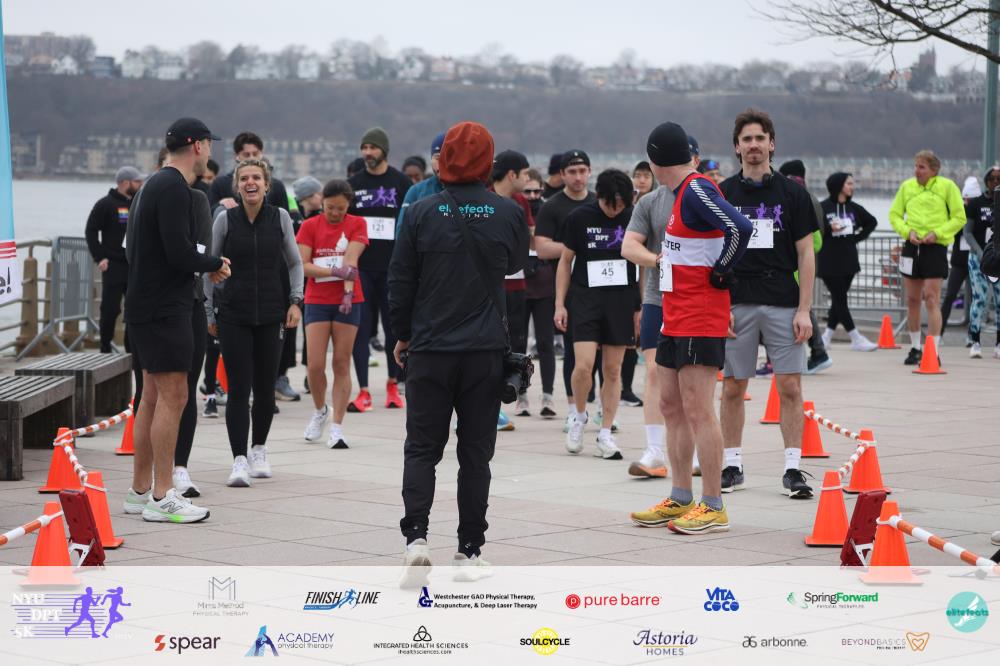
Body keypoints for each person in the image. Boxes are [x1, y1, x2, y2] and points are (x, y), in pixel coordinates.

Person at [390, 121, 529, 586]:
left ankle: (416, 541)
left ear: (444, 158)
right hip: (484, 351)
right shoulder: (508, 212)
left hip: (430, 348)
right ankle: (469, 553)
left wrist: (402, 335)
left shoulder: (419, 211)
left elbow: (400, 280)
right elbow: (515, 263)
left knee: (421, 448)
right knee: (475, 455)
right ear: (489, 162)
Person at [630, 121, 751, 533]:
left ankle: (713, 503)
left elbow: (740, 228)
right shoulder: (678, 194)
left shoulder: (697, 189)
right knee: (671, 406)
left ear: (656, 160)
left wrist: (722, 271)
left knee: (699, 409)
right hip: (673, 314)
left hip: (700, 316)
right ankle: (680, 496)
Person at [123, 117, 229, 523]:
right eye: (209, 145)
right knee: (174, 397)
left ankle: (139, 491)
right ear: (198, 146)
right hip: (165, 307)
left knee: (150, 397)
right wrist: (216, 263)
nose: (210, 152)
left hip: (143, 305)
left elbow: (141, 250)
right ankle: (163, 495)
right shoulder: (174, 188)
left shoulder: (149, 186)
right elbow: (179, 252)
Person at [719, 108, 818, 499]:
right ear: (736, 147)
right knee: (732, 387)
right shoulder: (723, 193)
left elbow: (806, 253)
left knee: (790, 387)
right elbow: (712, 253)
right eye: (747, 139)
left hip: (782, 301)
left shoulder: (793, 194)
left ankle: (793, 469)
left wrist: (805, 309)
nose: (754, 145)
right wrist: (719, 306)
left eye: (760, 138)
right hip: (736, 301)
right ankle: (732, 465)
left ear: (772, 144)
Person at [204, 158, 303, 487]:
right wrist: (208, 311)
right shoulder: (225, 219)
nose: (250, 182)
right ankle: (239, 459)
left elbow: (295, 263)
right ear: (237, 185)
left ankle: (259, 449)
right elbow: (209, 267)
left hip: (273, 314)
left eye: (256, 178)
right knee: (238, 389)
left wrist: (295, 301)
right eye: (244, 178)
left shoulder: (281, 218)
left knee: (264, 388)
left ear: (266, 184)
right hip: (234, 314)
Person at [555, 168, 639, 460]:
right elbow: (565, 262)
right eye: (609, 205)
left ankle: (605, 432)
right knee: (583, 366)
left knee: (613, 369)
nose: (615, 211)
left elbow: (642, 267)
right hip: (586, 299)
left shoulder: (633, 218)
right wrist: (559, 304)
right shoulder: (579, 218)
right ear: (599, 196)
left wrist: (640, 307)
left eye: (620, 206)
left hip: (621, 300)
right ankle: (579, 416)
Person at [298, 179, 369, 448]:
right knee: (315, 365)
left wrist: (348, 292)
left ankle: (337, 427)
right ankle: (320, 411)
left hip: (348, 301)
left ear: (348, 205)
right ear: (322, 202)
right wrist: (334, 271)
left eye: (341, 208)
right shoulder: (309, 226)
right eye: (330, 208)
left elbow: (351, 260)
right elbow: (303, 265)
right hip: (317, 300)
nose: (335, 213)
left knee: (341, 362)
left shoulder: (357, 224)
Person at [347, 127, 411, 412]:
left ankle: (393, 385)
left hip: (392, 268)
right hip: (362, 268)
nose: (367, 153)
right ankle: (363, 390)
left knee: (394, 328)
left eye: (372, 148)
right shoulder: (354, 183)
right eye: (364, 148)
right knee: (361, 329)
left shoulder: (401, 182)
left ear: (384, 150)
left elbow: (409, 223)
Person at [621, 157, 677, 477]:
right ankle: (654, 451)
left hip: (695, 299)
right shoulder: (650, 202)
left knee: (691, 377)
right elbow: (629, 247)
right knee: (654, 371)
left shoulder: (705, 195)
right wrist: (657, 260)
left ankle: (697, 451)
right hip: (658, 297)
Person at [534, 150, 598, 425]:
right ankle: (574, 409)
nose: (578, 177)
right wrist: (576, 248)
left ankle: (598, 406)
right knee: (573, 349)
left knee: (602, 351)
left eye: (582, 171)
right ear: (562, 175)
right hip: (566, 286)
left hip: (599, 285)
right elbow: (542, 247)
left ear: (590, 172)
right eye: (572, 172)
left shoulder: (598, 202)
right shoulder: (552, 206)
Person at [888, 150, 966, 365]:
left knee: (931, 298)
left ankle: (933, 350)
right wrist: (907, 232)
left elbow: (959, 217)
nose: (917, 171)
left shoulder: (947, 187)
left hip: (935, 247)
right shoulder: (907, 187)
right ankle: (915, 348)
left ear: (933, 170)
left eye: (921, 167)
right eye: (915, 166)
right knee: (912, 300)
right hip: (911, 247)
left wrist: (938, 233)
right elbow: (894, 215)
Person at [171, 154, 215, 498]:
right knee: (149, 394)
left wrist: (212, 263)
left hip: (191, 303)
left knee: (185, 390)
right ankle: (145, 478)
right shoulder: (145, 198)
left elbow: (198, 253)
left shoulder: (198, 200)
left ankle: (179, 468)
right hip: (151, 309)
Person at [491, 150, 534, 427]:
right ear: (511, 174)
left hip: (516, 283)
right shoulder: (485, 200)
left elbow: (526, 243)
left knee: (513, 344)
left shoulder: (521, 203)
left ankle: (502, 400)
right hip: (489, 288)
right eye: (525, 174)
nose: (528, 179)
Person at [779, 159, 831, 373]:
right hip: (803, 261)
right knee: (803, 307)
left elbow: (813, 238)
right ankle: (816, 352)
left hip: (797, 264)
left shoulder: (800, 198)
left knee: (802, 308)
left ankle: (817, 352)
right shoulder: (811, 198)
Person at [85, 166, 145, 353]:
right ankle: (105, 348)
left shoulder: (139, 204)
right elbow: (91, 231)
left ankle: (131, 349)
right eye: (137, 181)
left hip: (134, 266)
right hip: (113, 265)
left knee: (135, 308)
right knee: (110, 309)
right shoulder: (105, 204)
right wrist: (100, 257)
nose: (141, 184)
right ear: (125, 183)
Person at [818, 172, 879, 351]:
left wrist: (857, 238)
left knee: (839, 300)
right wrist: (829, 228)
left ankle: (826, 337)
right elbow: (814, 228)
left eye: (853, 183)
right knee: (840, 299)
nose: (852, 187)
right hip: (828, 261)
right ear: (838, 186)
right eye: (849, 184)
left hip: (849, 261)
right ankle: (856, 338)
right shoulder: (823, 207)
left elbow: (872, 222)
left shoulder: (854, 208)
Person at [522, 168, 557, 418]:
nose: (533, 196)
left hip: (545, 283)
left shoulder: (547, 210)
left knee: (546, 343)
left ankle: (548, 395)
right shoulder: (515, 209)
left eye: (537, 191)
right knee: (518, 342)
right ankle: (521, 395)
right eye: (528, 192)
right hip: (519, 282)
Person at [962, 167, 1000, 359]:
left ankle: (998, 344)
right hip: (978, 258)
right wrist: (979, 251)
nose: (995, 182)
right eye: (992, 179)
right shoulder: (976, 203)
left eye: (999, 179)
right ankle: (975, 340)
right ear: (986, 181)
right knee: (979, 298)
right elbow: (967, 232)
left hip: (998, 258)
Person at [941, 177, 983, 341]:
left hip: (975, 261)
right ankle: (939, 332)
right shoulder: (958, 213)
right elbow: (952, 231)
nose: (967, 203)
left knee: (975, 300)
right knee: (950, 296)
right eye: (965, 200)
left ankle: (972, 336)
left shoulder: (980, 211)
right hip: (959, 262)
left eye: (969, 200)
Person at [208, 131, 290, 215]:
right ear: (236, 156)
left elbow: (285, 217)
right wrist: (220, 205)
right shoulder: (220, 184)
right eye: (246, 155)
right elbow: (209, 215)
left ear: (261, 154)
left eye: (255, 154)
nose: (251, 158)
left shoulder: (276, 186)